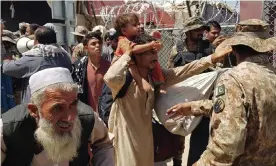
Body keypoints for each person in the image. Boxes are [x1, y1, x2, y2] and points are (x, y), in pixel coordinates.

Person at [104, 33, 231, 166]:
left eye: (156, 52)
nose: (155, 56)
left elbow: (184, 71)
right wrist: (128, 54)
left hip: (146, 143)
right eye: (150, 52)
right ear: (137, 55)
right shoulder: (125, 78)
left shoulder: (155, 78)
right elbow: (109, 77)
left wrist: (211, 58)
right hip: (125, 141)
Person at [167, 19, 276, 166]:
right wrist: (195, 107)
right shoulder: (271, 75)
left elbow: (226, 148)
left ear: (234, 48)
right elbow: (240, 108)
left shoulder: (234, 79)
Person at [1, 67, 115, 165]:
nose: (69, 118)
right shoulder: (7, 129)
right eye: (57, 108)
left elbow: (104, 144)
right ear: (34, 110)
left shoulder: (86, 117)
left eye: (73, 105)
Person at [2, 26, 72, 104]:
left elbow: (7, 69)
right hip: (61, 100)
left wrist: (7, 59)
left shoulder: (31, 58)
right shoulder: (65, 57)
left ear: (36, 41)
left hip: (37, 104)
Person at [114, 13, 166, 93]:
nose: (139, 26)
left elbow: (154, 42)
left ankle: (160, 83)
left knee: (155, 62)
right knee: (132, 68)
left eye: (138, 24)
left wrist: (158, 45)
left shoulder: (137, 38)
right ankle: (141, 82)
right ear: (124, 30)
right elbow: (133, 49)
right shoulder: (122, 40)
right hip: (123, 68)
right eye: (135, 25)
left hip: (131, 63)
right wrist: (150, 45)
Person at [72, 31, 110, 113]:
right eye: (93, 44)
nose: (98, 46)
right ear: (86, 48)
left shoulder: (110, 67)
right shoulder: (79, 68)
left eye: (99, 43)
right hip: (87, 115)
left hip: (106, 114)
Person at [1, 19, 16, 113]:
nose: (2, 32)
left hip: (5, 76)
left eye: (3, 29)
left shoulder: (3, 43)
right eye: (1, 29)